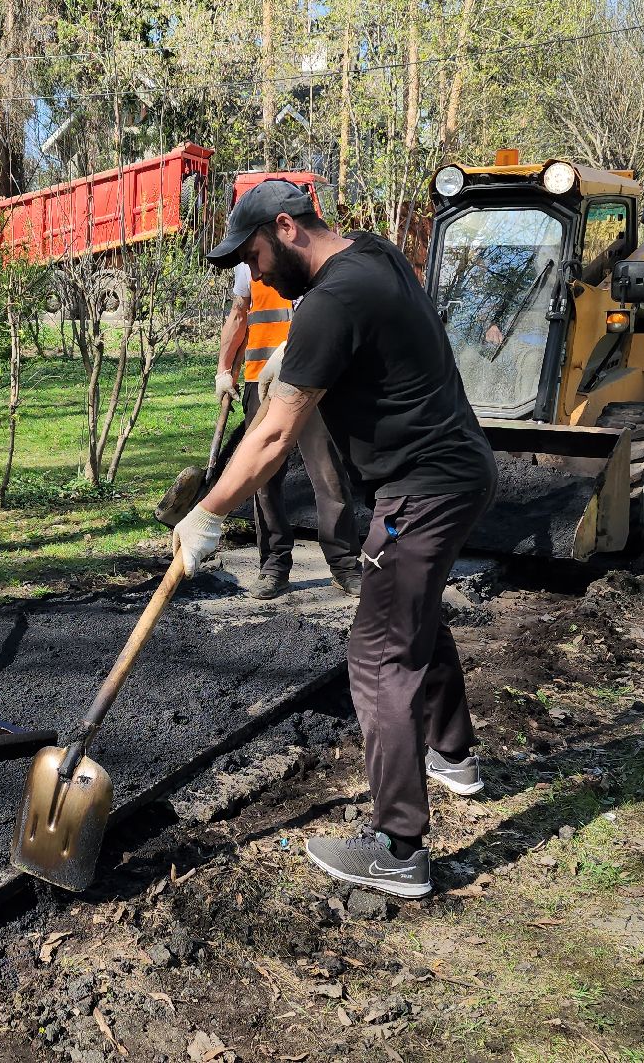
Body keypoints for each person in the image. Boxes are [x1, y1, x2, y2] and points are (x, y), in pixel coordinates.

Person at [173, 181, 497, 900]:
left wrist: (209, 513)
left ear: (285, 228)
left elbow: (278, 434)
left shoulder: (330, 301)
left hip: (422, 490)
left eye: (254, 256)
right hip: (460, 472)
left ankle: (397, 848)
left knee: (379, 653)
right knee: (412, 613)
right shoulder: (374, 255)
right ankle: (454, 757)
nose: (254, 275)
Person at [216, 256, 362, 599]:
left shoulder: (318, 260)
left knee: (328, 475)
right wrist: (225, 370)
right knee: (264, 478)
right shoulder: (246, 265)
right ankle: (274, 566)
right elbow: (239, 315)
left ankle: (344, 566)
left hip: (313, 378)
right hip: (262, 382)